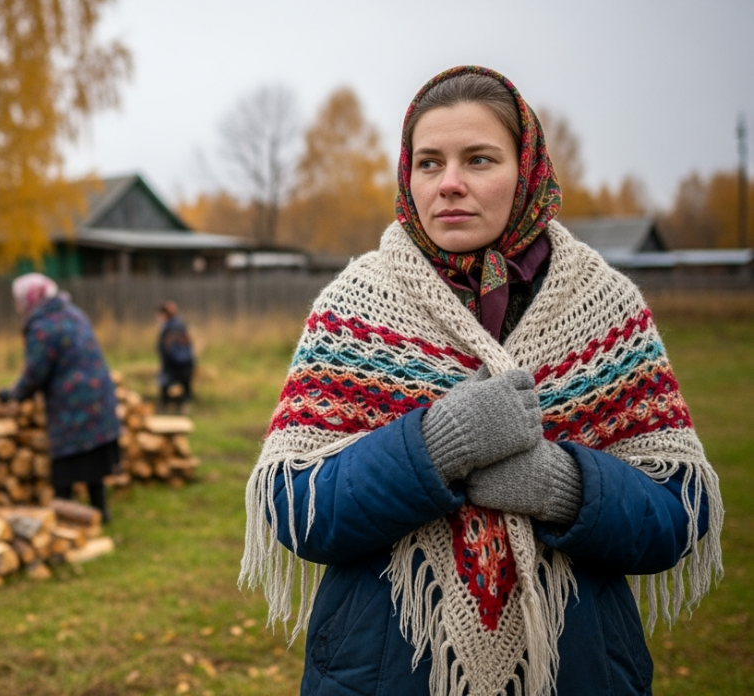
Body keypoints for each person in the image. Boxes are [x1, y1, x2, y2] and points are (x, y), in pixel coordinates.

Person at [239, 66, 723, 696]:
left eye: (480, 159)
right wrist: (432, 447)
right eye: (430, 163)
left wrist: (569, 489)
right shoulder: (354, 309)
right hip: (384, 671)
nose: (450, 185)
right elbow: (297, 507)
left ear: (527, 171)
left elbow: (677, 512)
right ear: (406, 175)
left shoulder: (607, 309)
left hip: (574, 671)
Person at [0, 273, 120, 522]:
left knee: (66, 465)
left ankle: (66, 519)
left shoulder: (43, 326)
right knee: (93, 458)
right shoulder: (71, 312)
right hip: (98, 396)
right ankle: (100, 512)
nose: (18, 307)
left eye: (19, 301)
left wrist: (14, 395)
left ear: (30, 299)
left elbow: (36, 372)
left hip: (73, 404)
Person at [156, 300, 195, 413]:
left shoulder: (175, 325)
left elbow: (172, 344)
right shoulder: (171, 324)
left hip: (179, 361)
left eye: (163, 312)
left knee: (182, 384)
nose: (160, 315)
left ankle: (180, 407)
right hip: (176, 361)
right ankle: (167, 406)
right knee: (168, 385)